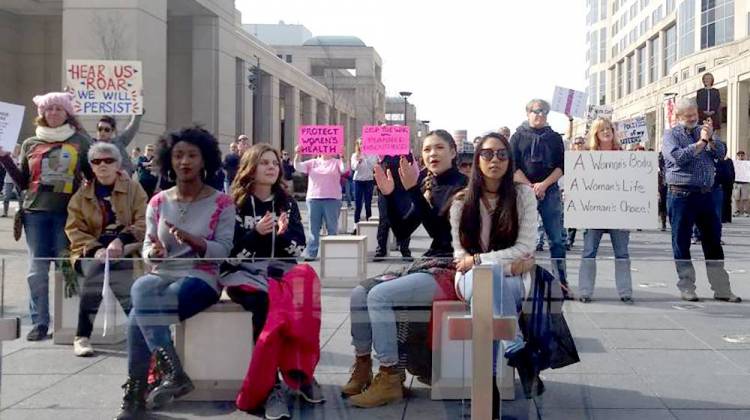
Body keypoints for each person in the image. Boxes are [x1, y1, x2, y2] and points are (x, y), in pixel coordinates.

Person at [115, 126, 235, 420]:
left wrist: (196, 242)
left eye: (192, 155)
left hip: (202, 276)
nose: (185, 162)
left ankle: (136, 395)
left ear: (204, 160)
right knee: (142, 289)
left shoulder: (222, 202)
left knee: (138, 313)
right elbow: (146, 247)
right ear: (169, 160)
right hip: (162, 272)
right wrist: (152, 252)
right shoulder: (157, 202)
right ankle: (172, 372)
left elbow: (224, 251)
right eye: (178, 155)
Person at [344, 129, 467, 408]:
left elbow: (442, 232)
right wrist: (388, 195)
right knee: (359, 293)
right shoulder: (427, 183)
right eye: (426, 150)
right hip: (428, 264)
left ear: (453, 152)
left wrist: (412, 190)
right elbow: (402, 231)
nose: (432, 154)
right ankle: (363, 365)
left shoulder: (464, 187)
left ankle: (390, 375)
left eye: (438, 148)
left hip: (453, 269)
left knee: (380, 296)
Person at [450, 132, 537, 415]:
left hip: (513, 281)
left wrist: (481, 259)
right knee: (486, 281)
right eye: (487, 154)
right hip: (470, 279)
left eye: (502, 154)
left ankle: (486, 388)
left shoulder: (523, 195)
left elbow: (526, 245)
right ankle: (516, 349)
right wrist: (505, 264)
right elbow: (459, 256)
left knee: (487, 298)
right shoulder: (461, 201)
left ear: (510, 160)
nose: (494, 160)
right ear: (477, 160)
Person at [0, 91, 92, 341]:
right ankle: (40, 322)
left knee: (67, 270)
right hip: (35, 214)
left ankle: (69, 324)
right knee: (36, 272)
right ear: (41, 114)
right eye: (48, 109)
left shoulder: (80, 141)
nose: (53, 113)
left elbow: (92, 176)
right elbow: (22, 182)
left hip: (68, 215)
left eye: (58, 109)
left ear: (67, 113)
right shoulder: (31, 143)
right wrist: (5, 159)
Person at [65, 143, 147, 357]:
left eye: (108, 161)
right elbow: (74, 229)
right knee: (100, 269)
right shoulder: (81, 195)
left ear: (118, 165)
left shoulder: (134, 189)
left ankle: (82, 334)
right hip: (90, 252)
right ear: (91, 166)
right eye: (97, 161)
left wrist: (120, 241)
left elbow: (143, 221)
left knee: (115, 267)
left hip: (128, 248)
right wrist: (96, 250)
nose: (102, 165)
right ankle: (144, 335)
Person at [661, 97, 740, 303]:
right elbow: (678, 158)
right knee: (681, 242)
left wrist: (711, 139)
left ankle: (722, 289)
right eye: (687, 116)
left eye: (694, 115)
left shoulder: (703, 131)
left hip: (707, 193)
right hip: (681, 194)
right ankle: (687, 286)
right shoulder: (671, 135)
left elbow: (721, 154)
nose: (692, 119)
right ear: (678, 117)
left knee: (713, 242)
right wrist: (701, 143)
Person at [510, 99, 568, 297]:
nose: (540, 115)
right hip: (523, 190)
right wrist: (529, 186)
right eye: (536, 111)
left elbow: (562, 166)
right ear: (528, 113)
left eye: (544, 112)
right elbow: (513, 165)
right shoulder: (517, 137)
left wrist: (544, 185)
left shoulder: (554, 138)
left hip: (549, 190)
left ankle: (561, 282)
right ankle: (523, 282)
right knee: (523, 239)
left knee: (557, 239)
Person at [577, 118, 634, 304]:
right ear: (595, 133)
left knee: (622, 253)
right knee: (589, 251)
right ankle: (585, 291)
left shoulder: (623, 154)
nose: (607, 132)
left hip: (619, 212)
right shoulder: (586, 156)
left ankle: (625, 292)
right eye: (602, 129)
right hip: (594, 212)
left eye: (609, 128)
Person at [294, 146, 347, 261]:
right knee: (314, 228)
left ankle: (331, 253)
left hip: (332, 199)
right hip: (314, 198)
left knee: (332, 228)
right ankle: (312, 252)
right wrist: (298, 154)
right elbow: (298, 167)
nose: (326, 150)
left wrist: (343, 156)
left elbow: (344, 169)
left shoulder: (337, 162)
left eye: (329, 148)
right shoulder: (312, 163)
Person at [374, 154, 413, 261]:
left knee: (404, 219)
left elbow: (412, 165)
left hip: (402, 190)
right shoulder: (382, 153)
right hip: (386, 190)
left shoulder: (406, 152)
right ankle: (381, 249)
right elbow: (378, 160)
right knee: (384, 220)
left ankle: (405, 250)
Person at [565, 137, 586, 249]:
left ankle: (588, 240)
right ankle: (569, 240)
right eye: (576, 143)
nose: (579, 145)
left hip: (587, 189)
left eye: (581, 143)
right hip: (572, 189)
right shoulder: (568, 158)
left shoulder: (591, 157)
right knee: (571, 216)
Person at [350, 139, 377, 224]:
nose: (362, 145)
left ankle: (369, 222)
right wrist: (359, 161)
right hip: (358, 181)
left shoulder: (373, 155)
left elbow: (373, 167)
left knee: (368, 204)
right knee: (358, 205)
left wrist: (366, 158)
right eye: (360, 144)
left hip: (368, 181)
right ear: (358, 145)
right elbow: (354, 168)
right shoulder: (355, 155)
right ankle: (356, 225)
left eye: (364, 143)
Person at [2, 145, 23, 217]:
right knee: (6, 196)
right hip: (8, 180)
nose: (15, 150)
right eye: (14, 148)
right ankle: (5, 212)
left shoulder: (21, 158)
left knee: (20, 197)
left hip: (17, 180)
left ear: (19, 150)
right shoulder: (8, 157)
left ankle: (21, 212)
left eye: (17, 149)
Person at [733, 151, 750, 217]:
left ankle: (745, 211)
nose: (740, 156)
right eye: (739, 155)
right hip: (736, 183)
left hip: (745, 183)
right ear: (737, 156)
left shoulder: (747, 164)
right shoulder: (734, 163)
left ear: (744, 156)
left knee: (745, 198)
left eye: (742, 155)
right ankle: (737, 211)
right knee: (736, 197)